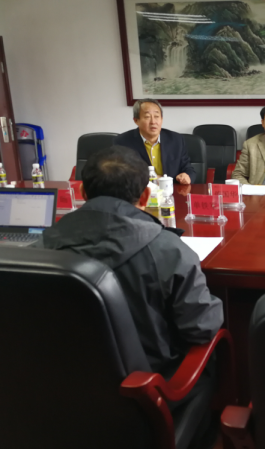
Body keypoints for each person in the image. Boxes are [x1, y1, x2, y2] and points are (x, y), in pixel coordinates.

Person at [39, 146, 222, 448]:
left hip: (53, 397)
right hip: (147, 398)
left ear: (82, 191)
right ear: (146, 196)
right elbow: (201, 329)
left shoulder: (36, 250)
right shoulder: (169, 251)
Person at [115, 98, 196, 184]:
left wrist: (187, 176)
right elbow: (121, 174)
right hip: (140, 190)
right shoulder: (123, 142)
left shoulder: (176, 140)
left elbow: (188, 168)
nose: (153, 122)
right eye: (147, 117)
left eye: (157, 116)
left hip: (170, 189)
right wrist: (151, 179)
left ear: (162, 119)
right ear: (136, 120)